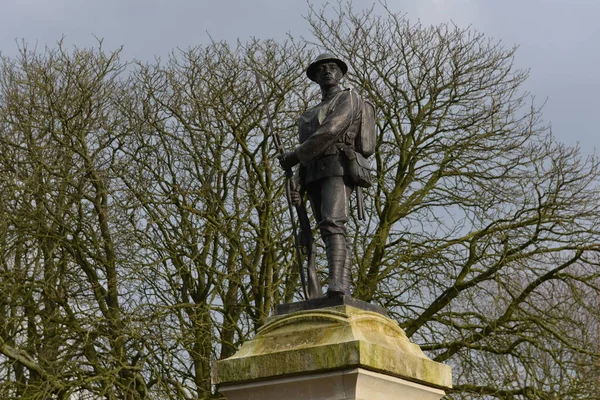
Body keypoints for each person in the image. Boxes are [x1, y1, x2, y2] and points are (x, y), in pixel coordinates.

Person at [278, 53, 364, 297]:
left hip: (337, 166)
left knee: (333, 223)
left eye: (332, 67)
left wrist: (295, 155)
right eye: (322, 69)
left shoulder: (348, 98)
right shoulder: (308, 115)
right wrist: (297, 179)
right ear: (315, 77)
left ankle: (339, 284)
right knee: (325, 229)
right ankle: (337, 283)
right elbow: (309, 145)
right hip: (313, 172)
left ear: (340, 73)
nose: (327, 71)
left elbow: (331, 130)